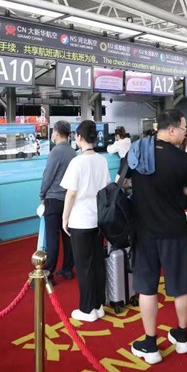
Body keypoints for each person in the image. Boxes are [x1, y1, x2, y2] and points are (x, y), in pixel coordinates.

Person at [130, 109, 187, 365]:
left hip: (144, 230)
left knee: (147, 287)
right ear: (171, 130)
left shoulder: (137, 151)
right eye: (183, 129)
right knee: (181, 284)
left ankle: (150, 344)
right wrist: (175, 187)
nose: (185, 134)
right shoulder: (182, 159)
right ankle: (181, 337)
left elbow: (124, 183)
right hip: (174, 231)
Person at [61, 120, 111, 323]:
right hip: (98, 220)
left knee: (84, 266)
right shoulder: (102, 160)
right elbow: (106, 188)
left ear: (79, 137)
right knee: (97, 262)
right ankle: (98, 305)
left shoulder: (77, 162)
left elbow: (71, 194)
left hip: (80, 221)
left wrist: (65, 218)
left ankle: (87, 309)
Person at [39, 121, 76, 283]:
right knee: (67, 236)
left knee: (52, 238)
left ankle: (48, 273)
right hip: (69, 200)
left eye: (53, 131)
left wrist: (42, 194)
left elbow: (48, 176)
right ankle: (67, 269)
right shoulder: (73, 152)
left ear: (56, 132)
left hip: (54, 199)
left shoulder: (56, 152)